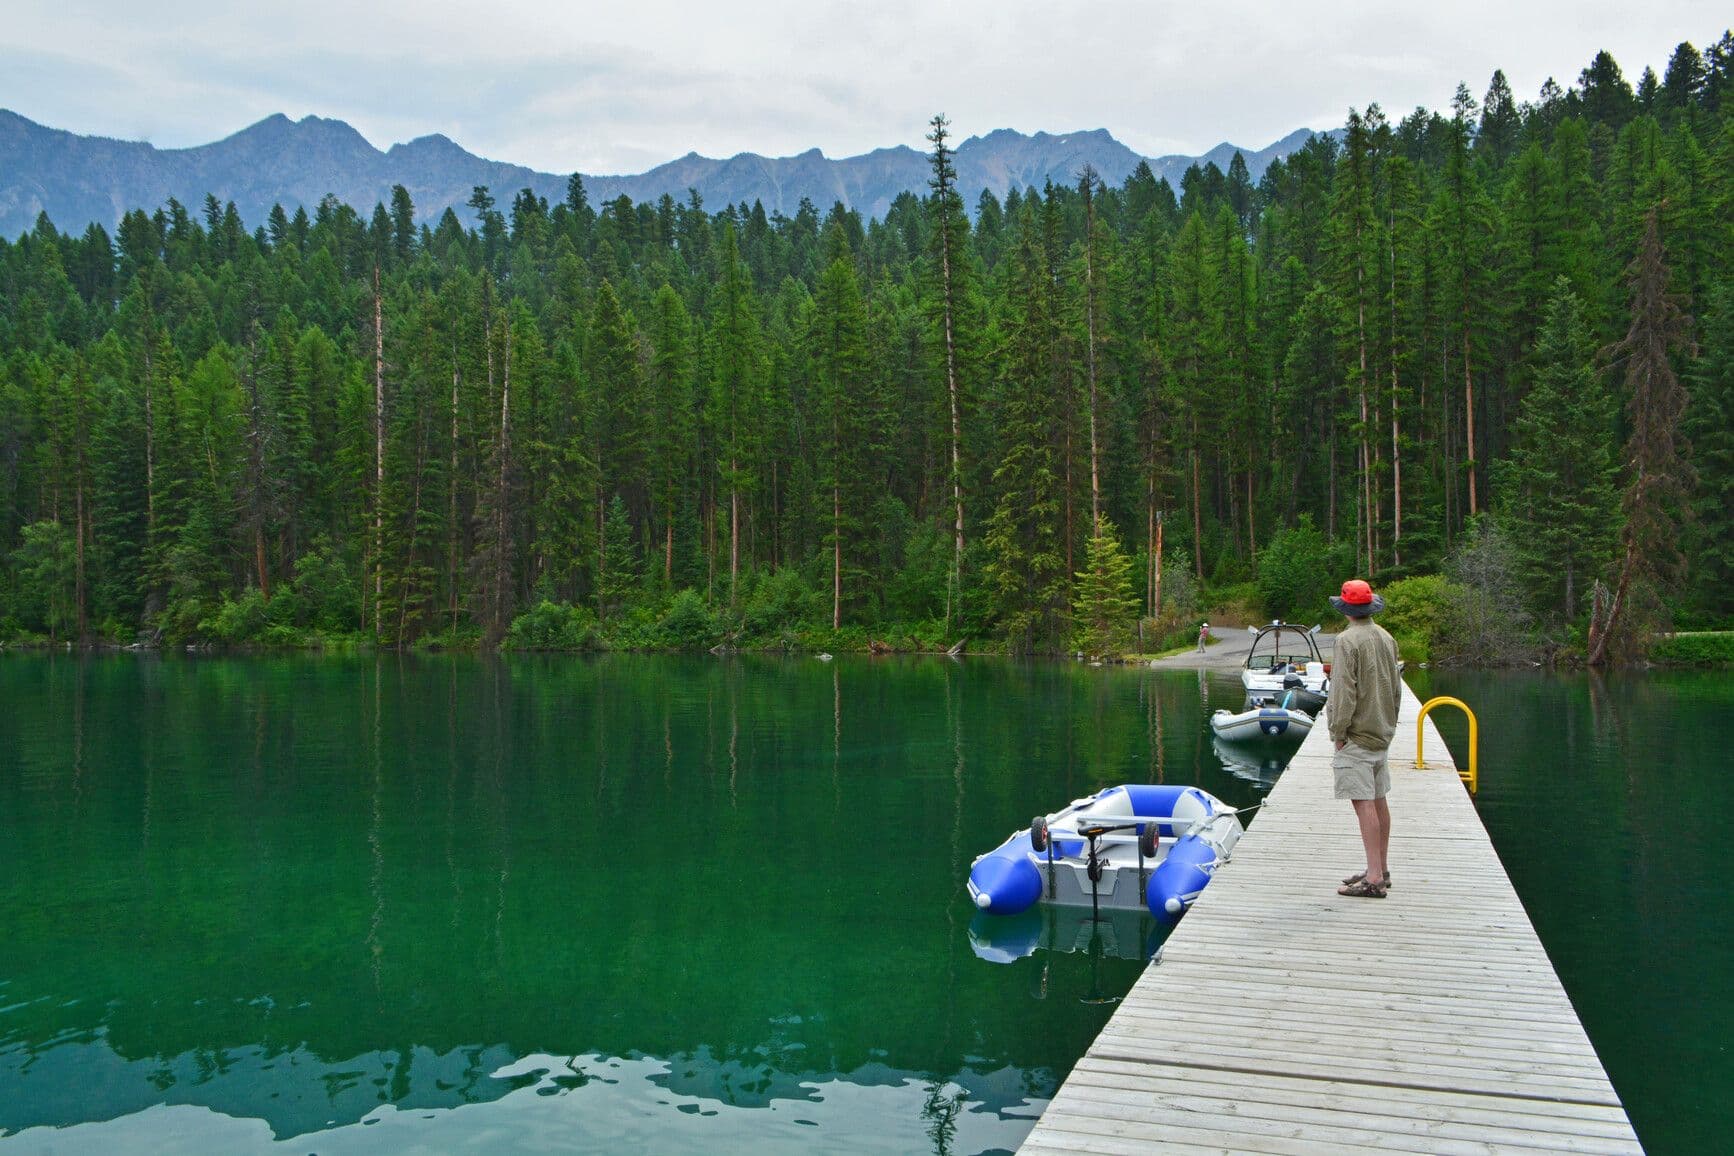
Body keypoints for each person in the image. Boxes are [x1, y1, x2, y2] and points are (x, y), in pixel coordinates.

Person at [1326, 579, 1401, 898]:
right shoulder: (1386, 637)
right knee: (1379, 798)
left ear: (1346, 609)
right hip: (1382, 731)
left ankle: (1373, 879)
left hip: (1357, 734)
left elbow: (1343, 691)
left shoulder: (1347, 641)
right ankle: (1380, 868)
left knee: (1364, 802)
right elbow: (1396, 688)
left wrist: (1338, 732)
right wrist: (1390, 723)